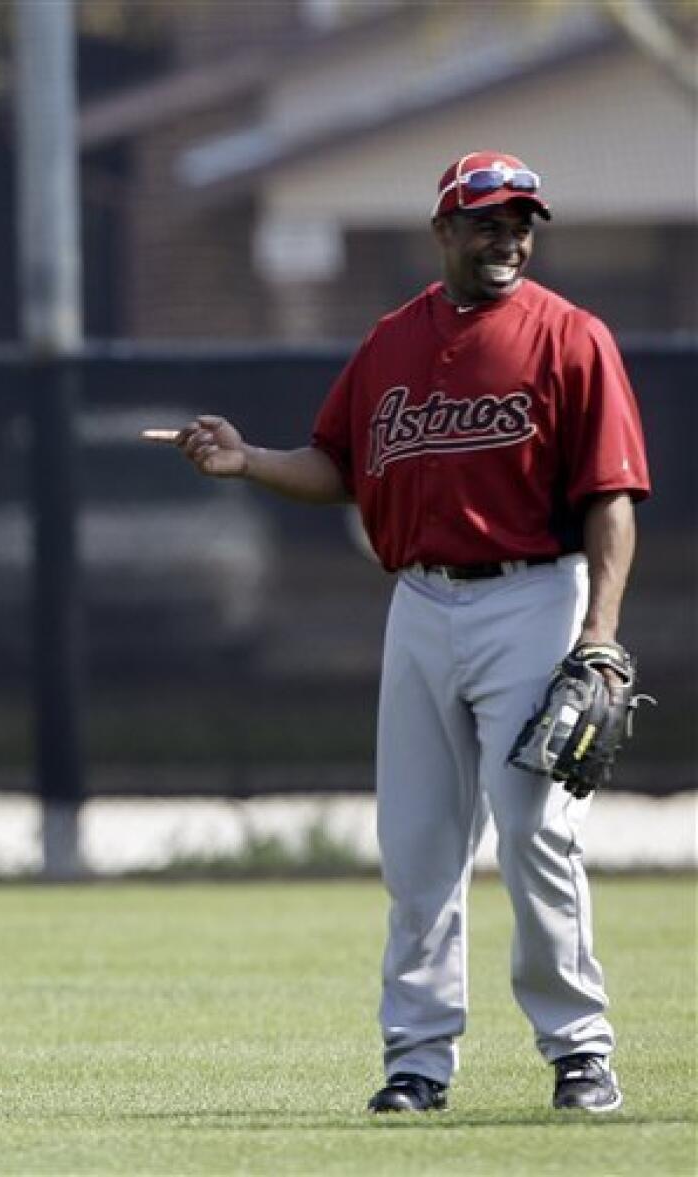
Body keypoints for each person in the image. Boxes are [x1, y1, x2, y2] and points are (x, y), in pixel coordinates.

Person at [163, 152, 650, 1114]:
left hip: (532, 596)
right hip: (420, 602)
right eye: (487, 220)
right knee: (419, 846)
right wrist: (249, 461)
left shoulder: (570, 337)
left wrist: (597, 631)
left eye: (521, 221)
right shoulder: (389, 344)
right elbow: (337, 463)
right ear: (444, 231)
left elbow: (613, 498)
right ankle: (418, 1060)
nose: (507, 236)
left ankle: (579, 1048)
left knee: (537, 833)